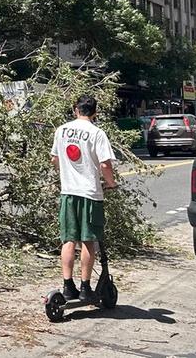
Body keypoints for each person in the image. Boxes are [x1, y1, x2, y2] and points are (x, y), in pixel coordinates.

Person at [50, 95, 117, 304]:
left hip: (68, 192)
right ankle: (86, 287)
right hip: (89, 193)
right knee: (88, 240)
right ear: (95, 112)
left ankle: (67, 285)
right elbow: (105, 165)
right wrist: (111, 184)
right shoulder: (97, 133)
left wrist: (67, 174)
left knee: (69, 238)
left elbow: (55, 159)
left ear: (75, 110)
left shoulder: (61, 130)